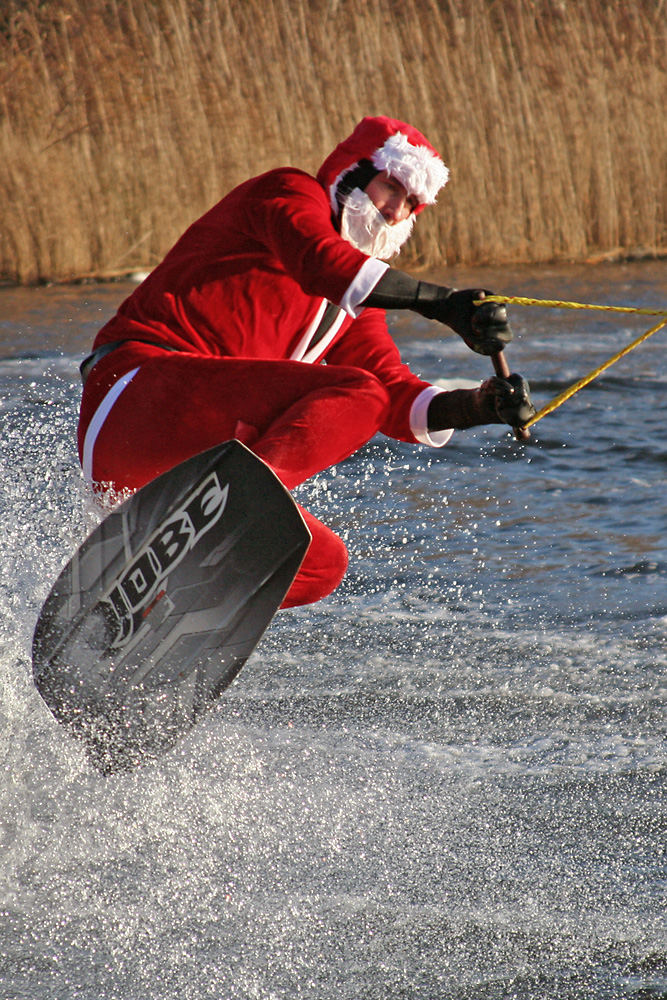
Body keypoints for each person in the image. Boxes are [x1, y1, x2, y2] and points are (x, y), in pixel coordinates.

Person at [77, 115, 535, 609]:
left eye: (410, 203)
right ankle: (232, 512)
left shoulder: (352, 308)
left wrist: (476, 407)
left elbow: (396, 396)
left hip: (177, 471)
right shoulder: (288, 193)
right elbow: (320, 261)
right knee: (359, 394)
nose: (394, 209)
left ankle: (157, 603)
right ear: (353, 173)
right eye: (389, 186)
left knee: (318, 564)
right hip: (135, 395)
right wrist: (439, 302)